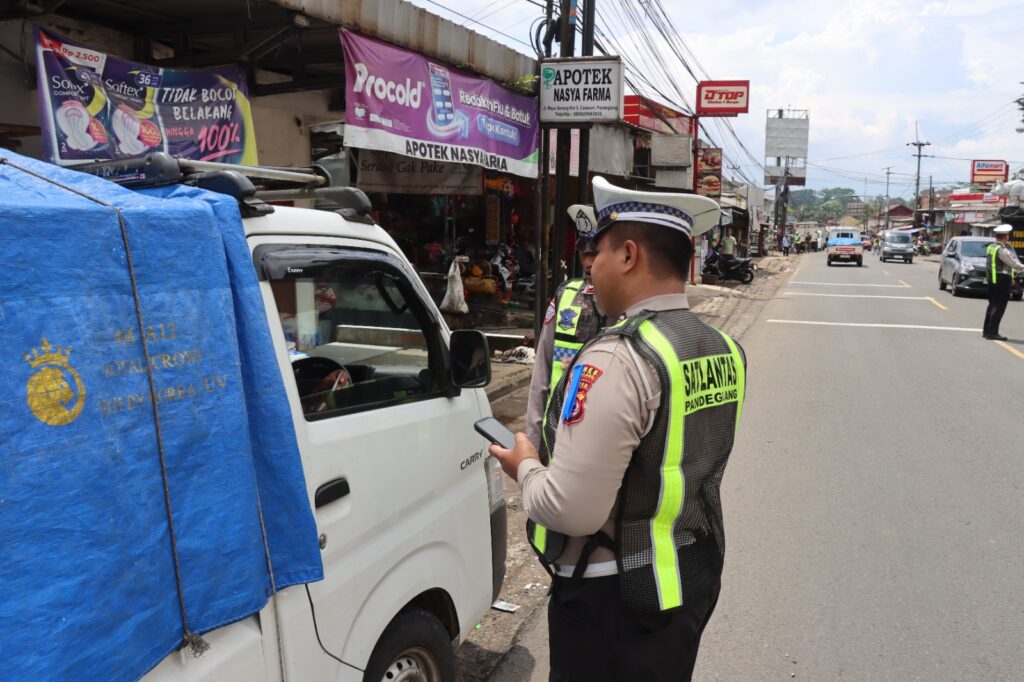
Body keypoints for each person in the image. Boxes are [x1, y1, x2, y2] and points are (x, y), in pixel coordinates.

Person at [490, 176, 747, 681]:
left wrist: (525, 467)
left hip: (612, 603)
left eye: (599, 251)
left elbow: (571, 510)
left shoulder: (618, 358)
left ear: (628, 255)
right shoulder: (722, 348)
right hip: (684, 580)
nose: (590, 267)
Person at [524, 204, 606, 450]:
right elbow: (541, 374)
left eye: (595, 253)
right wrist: (532, 443)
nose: (588, 262)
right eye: (583, 253)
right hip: (556, 437)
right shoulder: (566, 296)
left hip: (603, 440)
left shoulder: (629, 305)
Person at [982, 224, 1024, 341]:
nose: (1008, 236)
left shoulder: (992, 246)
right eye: (1008, 235)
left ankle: (987, 331)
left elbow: (1000, 266)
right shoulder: (1002, 250)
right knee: (998, 307)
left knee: (992, 306)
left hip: (992, 279)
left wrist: (1011, 278)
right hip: (1001, 281)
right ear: (1005, 236)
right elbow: (1013, 264)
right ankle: (992, 333)